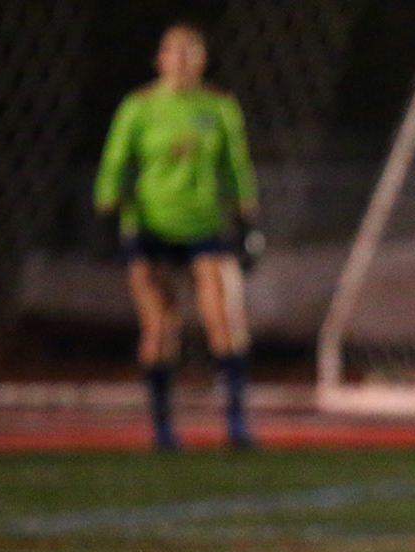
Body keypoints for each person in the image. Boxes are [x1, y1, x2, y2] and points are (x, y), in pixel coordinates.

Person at [94, 22, 260, 451]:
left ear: (202, 60)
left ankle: (236, 423)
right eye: (174, 51)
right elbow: (115, 163)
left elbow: (236, 166)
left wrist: (248, 222)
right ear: (160, 59)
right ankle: (163, 428)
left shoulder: (219, 106)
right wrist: (108, 213)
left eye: (191, 51)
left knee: (225, 320)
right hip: (150, 225)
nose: (182, 60)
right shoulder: (139, 106)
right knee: (160, 326)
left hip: (205, 224)